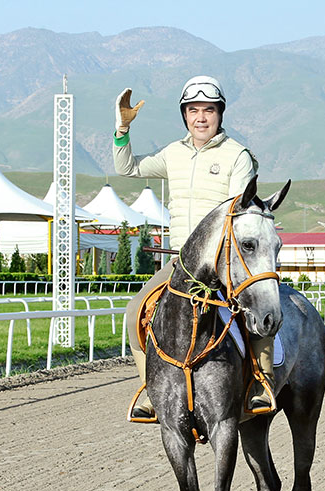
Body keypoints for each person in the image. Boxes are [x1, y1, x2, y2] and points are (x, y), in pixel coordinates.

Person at [113, 75, 273, 421]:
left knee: (253, 311)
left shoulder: (237, 156)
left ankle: (262, 381)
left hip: (223, 262)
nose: (201, 118)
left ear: (220, 114)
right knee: (134, 312)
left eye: (209, 110)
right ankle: (149, 390)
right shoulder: (173, 153)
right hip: (179, 265)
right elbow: (127, 167)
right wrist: (122, 130)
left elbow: (240, 210)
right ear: (185, 115)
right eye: (194, 110)